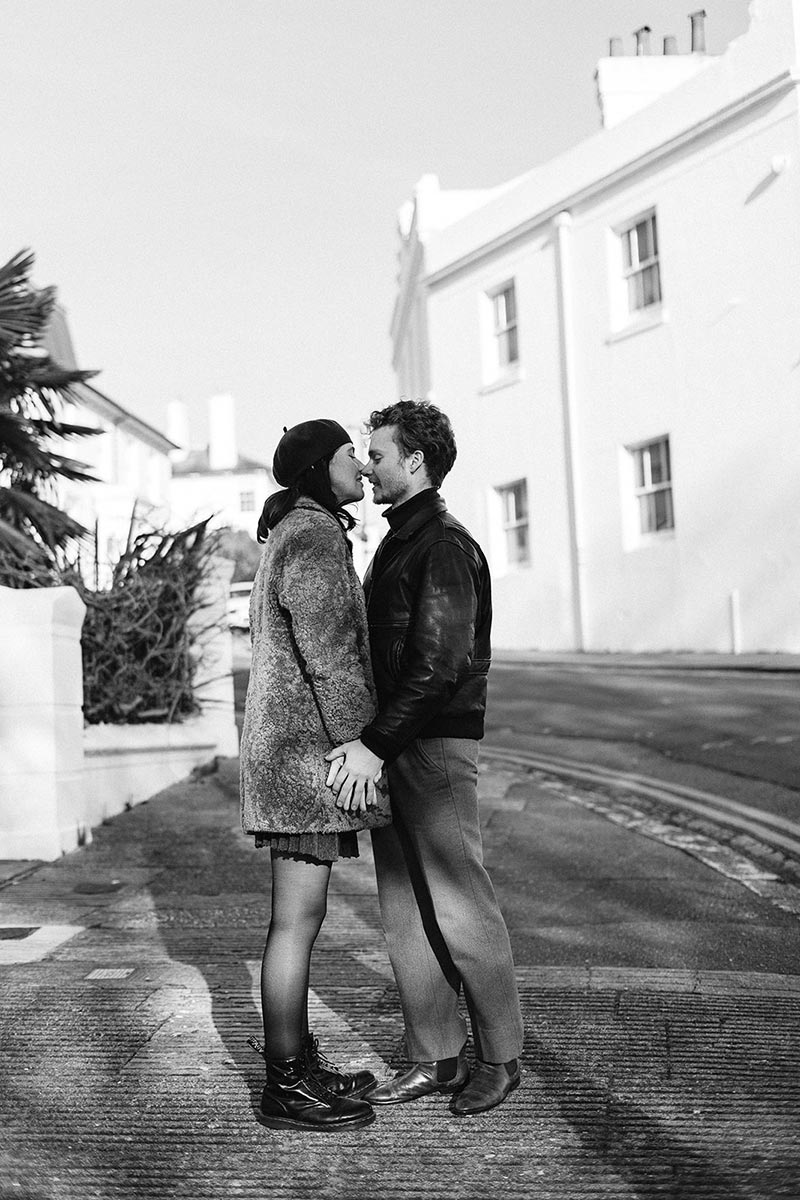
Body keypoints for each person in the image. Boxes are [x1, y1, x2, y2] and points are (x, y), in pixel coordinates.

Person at [325, 399, 524, 1117]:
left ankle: (502, 1058)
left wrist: (375, 746)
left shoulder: (441, 543)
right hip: (397, 743)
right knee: (406, 911)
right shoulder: (402, 540)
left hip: (431, 745)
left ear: (415, 460)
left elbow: (439, 663)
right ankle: (435, 1057)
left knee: (462, 907)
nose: (367, 465)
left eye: (376, 454)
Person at [240, 418, 391, 1132]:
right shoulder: (312, 534)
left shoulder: (294, 532)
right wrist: (361, 744)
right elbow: (328, 652)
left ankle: (300, 1063)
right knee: (295, 924)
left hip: (292, 757)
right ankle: (287, 1084)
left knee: (300, 920)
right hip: (304, 761)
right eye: (349, 454)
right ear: (316, 466)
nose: (361, 466)